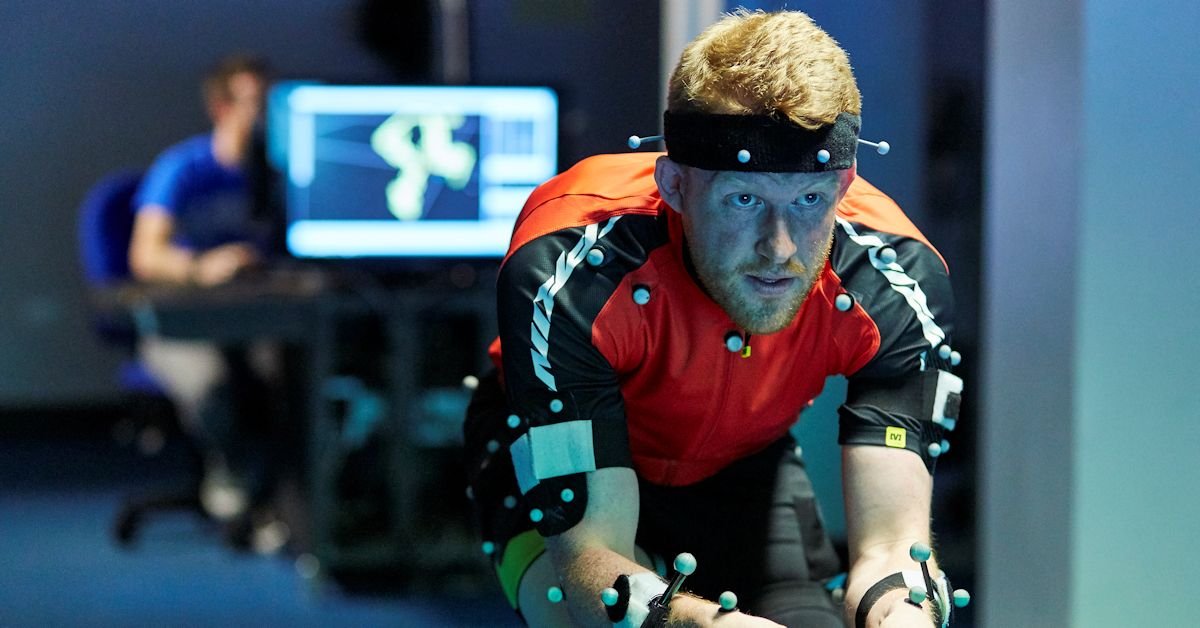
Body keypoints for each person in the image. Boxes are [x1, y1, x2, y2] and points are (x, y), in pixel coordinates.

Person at [464, 9, 965, 628]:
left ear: (844, 185)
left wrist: (903, 614)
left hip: (743, 464)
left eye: (809, 199)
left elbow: (893, 549)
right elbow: (593, 561)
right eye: (743, 199)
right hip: (563, 451)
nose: (779, 248)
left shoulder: (896, 281)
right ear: (674, 184)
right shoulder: (572, 266)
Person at [128, 55, 283, 544]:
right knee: (211, 384)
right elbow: (145, 254)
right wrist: (201, 267)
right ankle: (233, 479)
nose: (266, 116)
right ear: (222, 107)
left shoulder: (280, 174)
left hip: (261, 319)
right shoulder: (182, 169)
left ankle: (288, 499)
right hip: (184, 322)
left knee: (293, 374)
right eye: (255, 103)